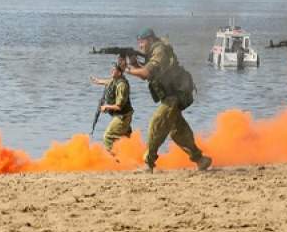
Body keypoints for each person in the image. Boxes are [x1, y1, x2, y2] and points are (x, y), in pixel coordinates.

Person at [125, 28, 212, 173]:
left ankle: (148, 163)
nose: (140, 46)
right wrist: (133, 64)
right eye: (139, 43)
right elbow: (145, 72)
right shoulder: (154, 52)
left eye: (142, 42)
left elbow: (146, 73)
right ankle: (201, 160)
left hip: (176, 95)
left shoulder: (159, 50)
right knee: (178, 131)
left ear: (150, 40)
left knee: (157, 122)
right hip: (171, 95)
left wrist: (128, 70)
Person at [90, 58, 133, 152]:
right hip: (123, 116)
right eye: (112, 69)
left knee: (107, 136)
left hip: (123, 117)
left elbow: (119, 106)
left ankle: (114, 161)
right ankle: (129, 161)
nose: (111, 71)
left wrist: (106, 107)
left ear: (119, 73)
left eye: (114, 70)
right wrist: (97, 81)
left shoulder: (122, 85)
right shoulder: (115, 80)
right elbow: (108, 82)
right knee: (126, 140)